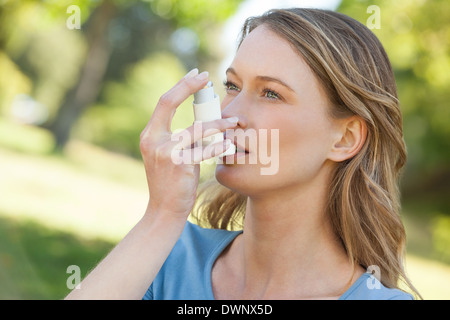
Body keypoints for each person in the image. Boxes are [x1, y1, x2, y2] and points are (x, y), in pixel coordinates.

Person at [66, 8, 420, 300]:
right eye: (232, 86)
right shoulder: (166, 257)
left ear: (344, 138)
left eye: (271, 94)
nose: (230, 115)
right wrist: (161, 216)